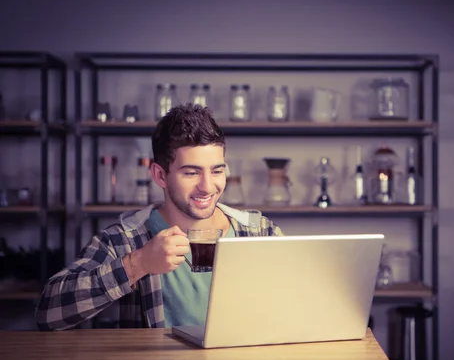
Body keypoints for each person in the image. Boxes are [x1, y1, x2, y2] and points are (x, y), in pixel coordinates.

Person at [35, 104, 284, 331]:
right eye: (191, 173)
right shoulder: (125, 239)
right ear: (160, 175)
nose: (207, 187)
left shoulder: (259, 231)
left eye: (217, 171)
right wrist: (138, 264)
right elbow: (48, 313)